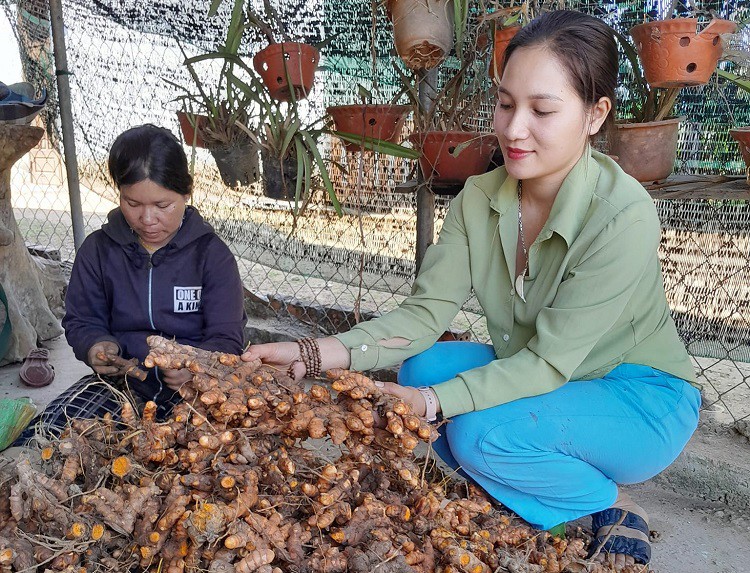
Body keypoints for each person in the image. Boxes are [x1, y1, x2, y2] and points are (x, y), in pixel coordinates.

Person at [240, 10, 700, 571]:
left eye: (543, 109)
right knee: (422, 368)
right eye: (506, 104)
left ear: (595, 115)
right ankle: (526, 480)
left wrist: (436, 405)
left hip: (637, 396)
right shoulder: (479, 198)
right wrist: (313, 356)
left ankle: (605, 501)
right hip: (547, 375)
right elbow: (419, 319)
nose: (513, 129)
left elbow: (549, 363)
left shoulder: (623, 212)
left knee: (475, 433)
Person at [17, 124, 246, 440]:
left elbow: (227, 337)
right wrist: (96, 346)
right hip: (120, 384)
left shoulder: (211, 256)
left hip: (195, 389)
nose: (147, 219)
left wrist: (197, 368)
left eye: (162, 205)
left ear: (185, 194)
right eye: (132, 204)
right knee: (52, 436)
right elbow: (82, 320)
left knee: (212, 456)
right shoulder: (98, 250)